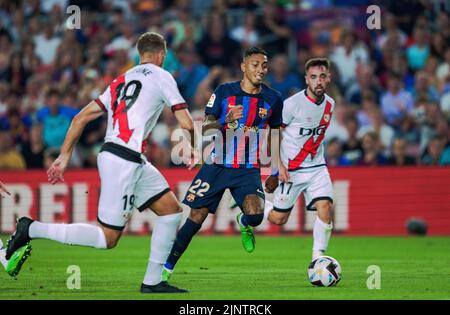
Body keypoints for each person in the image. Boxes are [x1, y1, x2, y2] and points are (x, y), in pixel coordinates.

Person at [4, 32, 196, 293]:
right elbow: (185, 121)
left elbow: (80, 118)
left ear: (140, 55)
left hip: (126, 157)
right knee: (107, 238)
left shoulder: (120, 80)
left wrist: (64, 156)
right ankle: (32, 229)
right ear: (161, 55)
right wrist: (193, 148)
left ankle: (153, 281)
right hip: (123, 160)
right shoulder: (163, 76)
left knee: (171, 211)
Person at [161, 47, 283, 284]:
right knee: (196, 218)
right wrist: (225, 120)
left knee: (256, 216)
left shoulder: (273, 98)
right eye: (255, 64)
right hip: (217, 164)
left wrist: (275, 171)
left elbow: (276, 135)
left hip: (248, 168)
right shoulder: (224, 92)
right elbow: (205, 128)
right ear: (244, 67)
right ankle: (166, 268)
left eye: (264, 65)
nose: (260, 70)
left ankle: (244, 223)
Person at [264, 58, 336, 261]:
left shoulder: (331, 104)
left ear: (328, 78)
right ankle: (255, 207)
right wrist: (277, 167)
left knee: (326, 208)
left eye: (322, 76)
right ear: (306, 79)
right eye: (313, 77)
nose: (318, 81)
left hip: (317, 167)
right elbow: (274, 132)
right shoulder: (291, 104)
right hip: (291, 169)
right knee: (279, 219)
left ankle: (318, 259)